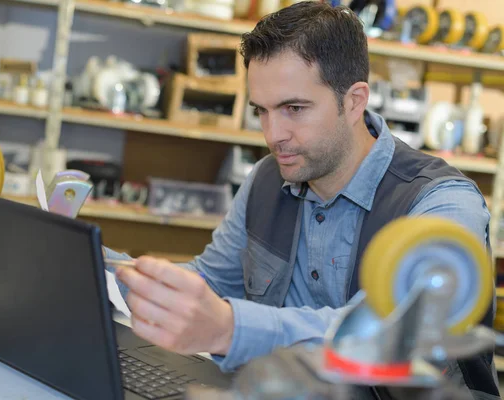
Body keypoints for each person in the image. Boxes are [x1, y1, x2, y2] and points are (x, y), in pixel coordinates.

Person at [104, 1, 499, 398]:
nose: (274, 135)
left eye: (294, 108)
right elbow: (213, 280)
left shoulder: (442, 202)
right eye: (262, 111)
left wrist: (229, 328)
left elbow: (391, 336)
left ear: (355, 100)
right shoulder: (266, 178)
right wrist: (116, 273)